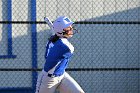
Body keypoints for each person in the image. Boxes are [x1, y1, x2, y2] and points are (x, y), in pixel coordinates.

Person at [35, 16, 85, 93]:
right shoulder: (65, 47)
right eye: (68, 27)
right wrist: (62, 41)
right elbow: (69, 48)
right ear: (60, 31)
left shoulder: (55, 39)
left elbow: (57, 40)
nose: (71, 28)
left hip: (62, 76)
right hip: (48, 79)